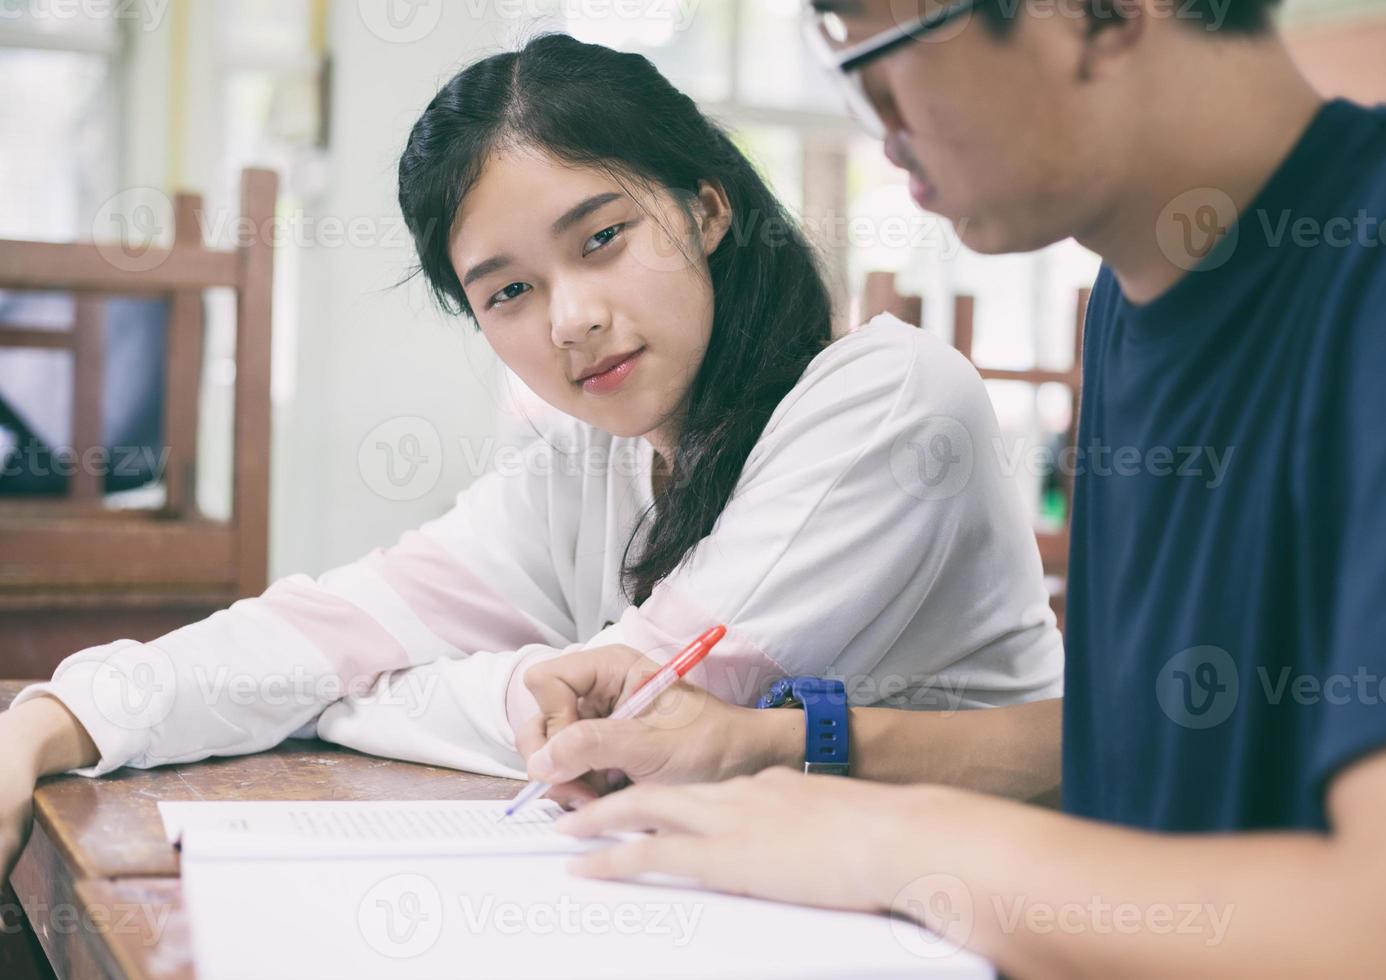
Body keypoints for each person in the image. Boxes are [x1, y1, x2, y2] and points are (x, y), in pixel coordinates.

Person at [510, 2, 1386, 976]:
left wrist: (898, 841)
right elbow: (1132, 743)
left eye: (881, 57)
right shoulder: (1136, 309)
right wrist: (773, 747)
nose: (881, 130)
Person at [0, 35, 1064, 882]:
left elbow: (620, 731)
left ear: (707, 205)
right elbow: (325, 626)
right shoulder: (579, 456)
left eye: (601, 237)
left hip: (1004, 925)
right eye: (509, 290)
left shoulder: (889, 400)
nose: (573, 319)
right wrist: (48, 718)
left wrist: (341, 692)